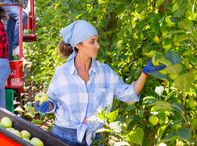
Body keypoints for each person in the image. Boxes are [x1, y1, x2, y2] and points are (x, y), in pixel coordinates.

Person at [33, 20, 166, 146]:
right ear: (78, 45)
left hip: (95, 139)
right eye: (92, 42)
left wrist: (145, 72)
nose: (98, 46)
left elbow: (129, 94)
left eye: (97, 41)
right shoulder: (62, 73)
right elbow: (53, 103)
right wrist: (45, 105)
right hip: (63, 137)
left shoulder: (105, 73)